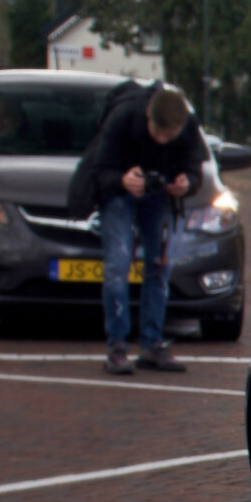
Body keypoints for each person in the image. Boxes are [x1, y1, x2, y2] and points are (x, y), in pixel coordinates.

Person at [84, 82, 205, 375]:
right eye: (157, 134)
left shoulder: (187, 126)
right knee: (117, 266)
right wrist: (122, 180)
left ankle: (152, 344)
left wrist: (186, 183)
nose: (162, 141)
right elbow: (98, 171)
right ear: (148, 114)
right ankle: (117, 346)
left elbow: (195, 169)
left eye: (169, 136)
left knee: (160, 267)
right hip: (120, 197)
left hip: (161, 198)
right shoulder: (124, 118)